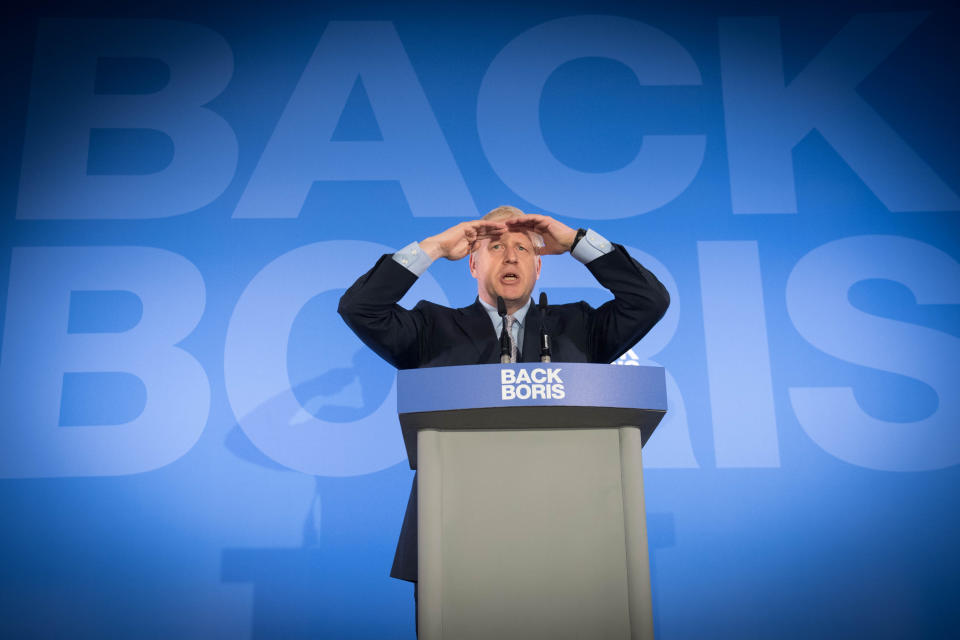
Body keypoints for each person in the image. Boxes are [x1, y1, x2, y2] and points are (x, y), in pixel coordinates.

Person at [337, 205, 670, 588]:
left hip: (571, 537)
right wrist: (435, 247)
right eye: (495, 247)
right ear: (473, 265)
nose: (511, 256)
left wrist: (576, 242)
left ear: (539, 267)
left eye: (524, 249)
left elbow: (650, 301)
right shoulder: (431, 328)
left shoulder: (581, 327)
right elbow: (359, 307)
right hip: (453, 540)